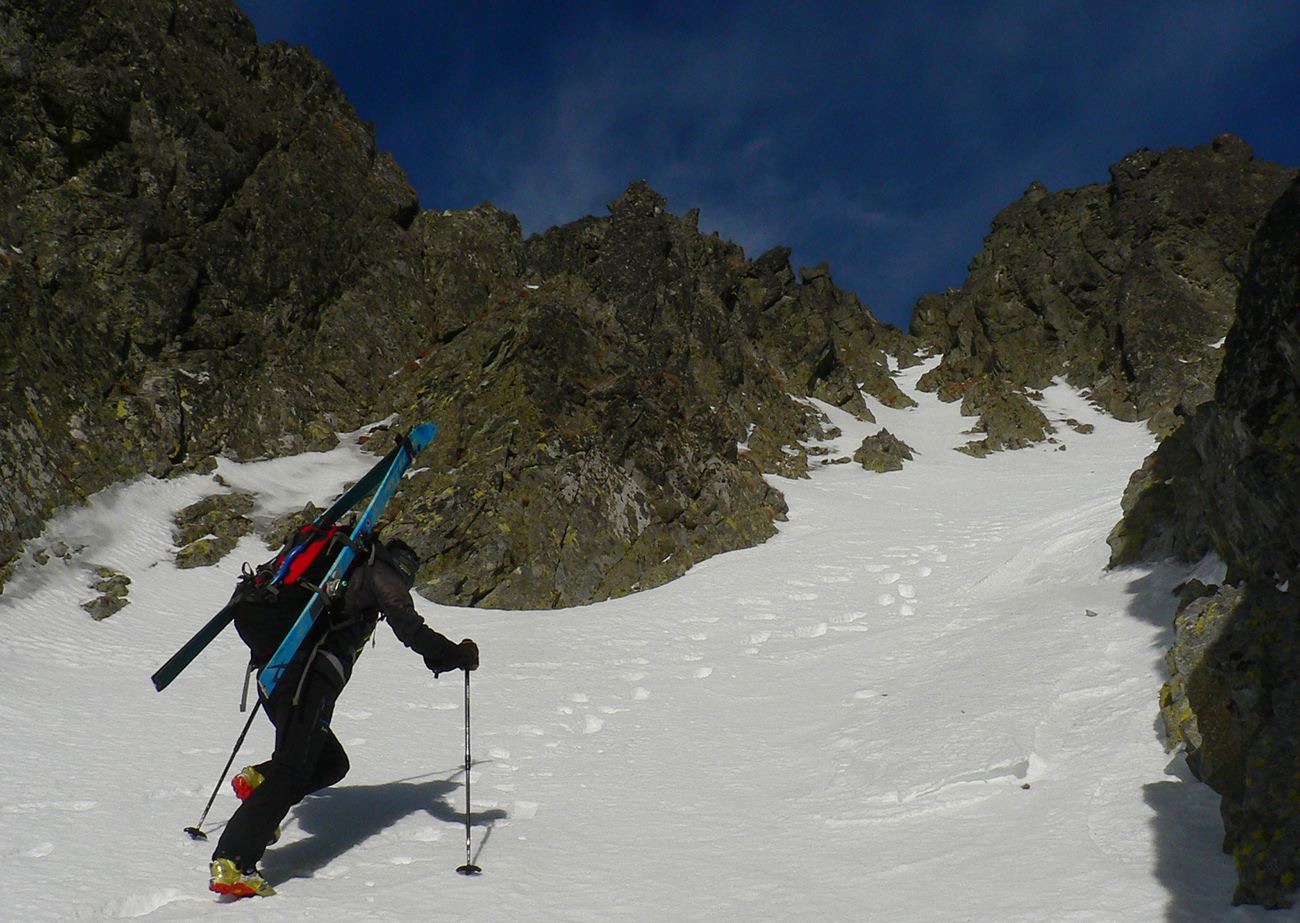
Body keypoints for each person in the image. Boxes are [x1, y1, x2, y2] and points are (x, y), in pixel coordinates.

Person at [208, 538, 478, 898]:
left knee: (330, 763)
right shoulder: (380, 573)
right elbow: (410, 628)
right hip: (307, 678)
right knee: (292, 770)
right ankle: (233, 861)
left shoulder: (344, 572)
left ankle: (260, 782)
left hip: (276, 673)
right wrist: (456, 655)